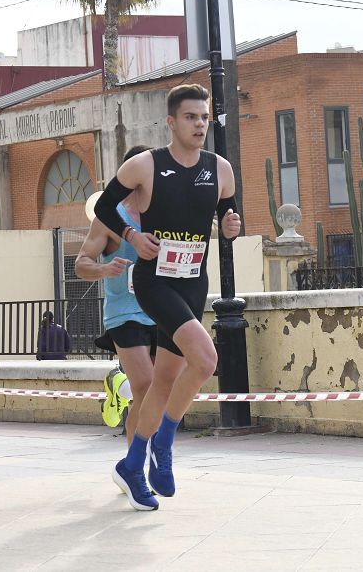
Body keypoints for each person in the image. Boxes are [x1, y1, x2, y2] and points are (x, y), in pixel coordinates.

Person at [94, 84, 241, 511]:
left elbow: (229, 217)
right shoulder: (145, 165)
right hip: (155, 282)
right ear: (172, 122)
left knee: (164, 380)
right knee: (207, 359)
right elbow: (104, 207)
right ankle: (166, 442)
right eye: (191, 117)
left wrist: (231, 227)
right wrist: (131, 236)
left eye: (204, 117)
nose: (200, 124)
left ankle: (133, 463)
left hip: (193, 280)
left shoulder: (221, 169)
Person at [74, 145, 158, 444]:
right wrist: (105, 269)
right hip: (125, 313)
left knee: (156, 392)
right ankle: (138, 464)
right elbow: (81, 263)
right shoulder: (111, 217)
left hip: (161, 310)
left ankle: (119, 388)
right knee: (147, 387)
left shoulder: (164, 214)